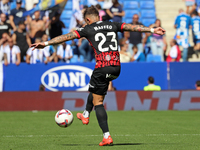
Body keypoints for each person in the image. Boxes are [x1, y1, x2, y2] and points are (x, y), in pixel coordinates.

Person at [31, 5, 165, 146]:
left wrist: (45, 43)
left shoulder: (87, 29)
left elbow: (66, 37)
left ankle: (106, 136)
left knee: (98, 102)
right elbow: (132, 27)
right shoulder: (113, 24)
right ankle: (85, 114)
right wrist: (152, 30)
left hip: (102, 66)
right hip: (116, 67)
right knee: (95, 90)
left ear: (88, 20)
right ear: (99, 17)